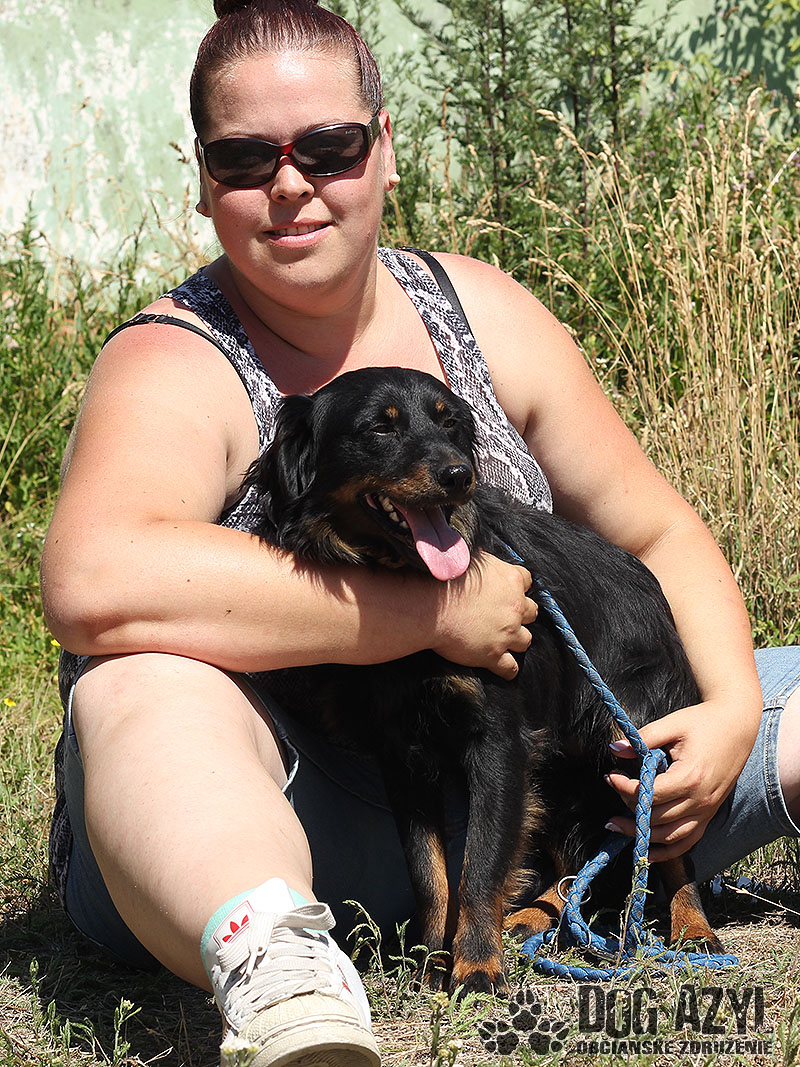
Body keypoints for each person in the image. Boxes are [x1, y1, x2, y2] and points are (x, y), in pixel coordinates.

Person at [40, 1, 800, 1064]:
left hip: (551, 776)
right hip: (287, 815)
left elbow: (660, 532)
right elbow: (93, 579)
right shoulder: (173, 359)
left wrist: (726, 716)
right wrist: (430, 614)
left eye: (329, 147)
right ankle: (279, 969)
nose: (291, 184)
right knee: (140, 678)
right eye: (246, 157)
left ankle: (570, 883)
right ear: (205, 179)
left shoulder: (479, 306)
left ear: (384, 148)